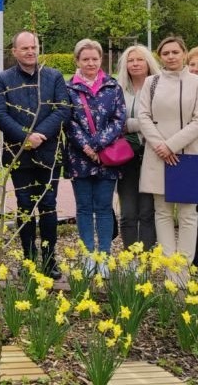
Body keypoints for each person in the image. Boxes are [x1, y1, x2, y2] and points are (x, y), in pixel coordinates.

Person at [138, 36, 198, 283]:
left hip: (188, 153)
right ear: (160, 56)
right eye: (166, 53)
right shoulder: (151, 82)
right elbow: (143, 116)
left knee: (188, 213)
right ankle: (170, 269)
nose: (171, 56)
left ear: (184, 53)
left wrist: (172, 145)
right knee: (161, 211)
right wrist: (161, 146)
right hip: (157, 153)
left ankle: (183, 270)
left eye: (175, 52)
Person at [0, 30, 70, 278]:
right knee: (25, 207)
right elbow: (0, 113)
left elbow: (62, 110)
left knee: (47, 206)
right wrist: (24, 137)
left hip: (48, 153)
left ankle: (49, 260)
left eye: (33, 47)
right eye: (24, 48)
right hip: (19, 154)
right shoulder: (3, 79)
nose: (30, 52)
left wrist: (40, 135)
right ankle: (28, 260)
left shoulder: (53, 76)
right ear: (14, 51)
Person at [66, 39, 127, 267]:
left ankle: (103, 255)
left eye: (94, 58)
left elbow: (119, 119)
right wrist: (86, 146)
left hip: (107, 157)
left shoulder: (113, 87)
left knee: (103, 207)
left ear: (101, 59)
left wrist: (98, 144)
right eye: (85, 59)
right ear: (77, 61)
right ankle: (88, 255)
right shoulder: (68, 88)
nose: (90, 63)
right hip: (78, 156)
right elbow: (68, 120)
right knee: (83, 207)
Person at [115, 44, 160, 250]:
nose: (135, 64)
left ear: (148, 62)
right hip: (125, 155)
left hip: (153, 153)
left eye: (139, 59)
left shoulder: (160, 86)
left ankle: (148, 254)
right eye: (130, 60)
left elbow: (161, 120)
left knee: (148, 210)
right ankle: (130, 255)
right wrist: (142, 123)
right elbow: (114, 121)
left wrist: (131, 124)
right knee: (128, 210)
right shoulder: (117, 88)